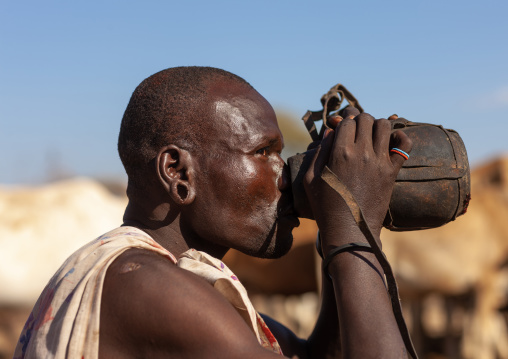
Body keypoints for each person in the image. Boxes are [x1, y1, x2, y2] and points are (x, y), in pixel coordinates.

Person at [15, 67, 413, 358]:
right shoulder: (144, 287)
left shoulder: (172, 281)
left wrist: (338, 225)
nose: (285, 173)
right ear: (179, 173)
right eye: (263, 152)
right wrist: (356, 231)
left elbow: (316, 357)